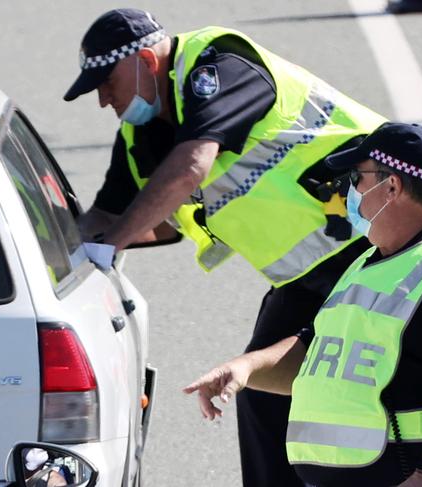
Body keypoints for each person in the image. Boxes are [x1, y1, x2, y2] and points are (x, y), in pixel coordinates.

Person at [64, 8, 387, 486]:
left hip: (377, 244)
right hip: (303, 275)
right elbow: (115, 217)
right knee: (262, 389)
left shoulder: (218, 63)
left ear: (146, 63)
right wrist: (59, 245)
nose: (103, 99)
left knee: (386, 384)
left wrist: (110, 245)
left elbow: (192, 166)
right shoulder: (140, 134)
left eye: (107, 82)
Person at [184, 122, 422, 486]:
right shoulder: (366, 264)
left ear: (392, 186)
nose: (351, 191)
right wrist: (247, 367)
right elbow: (314, 349)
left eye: (358, 179)